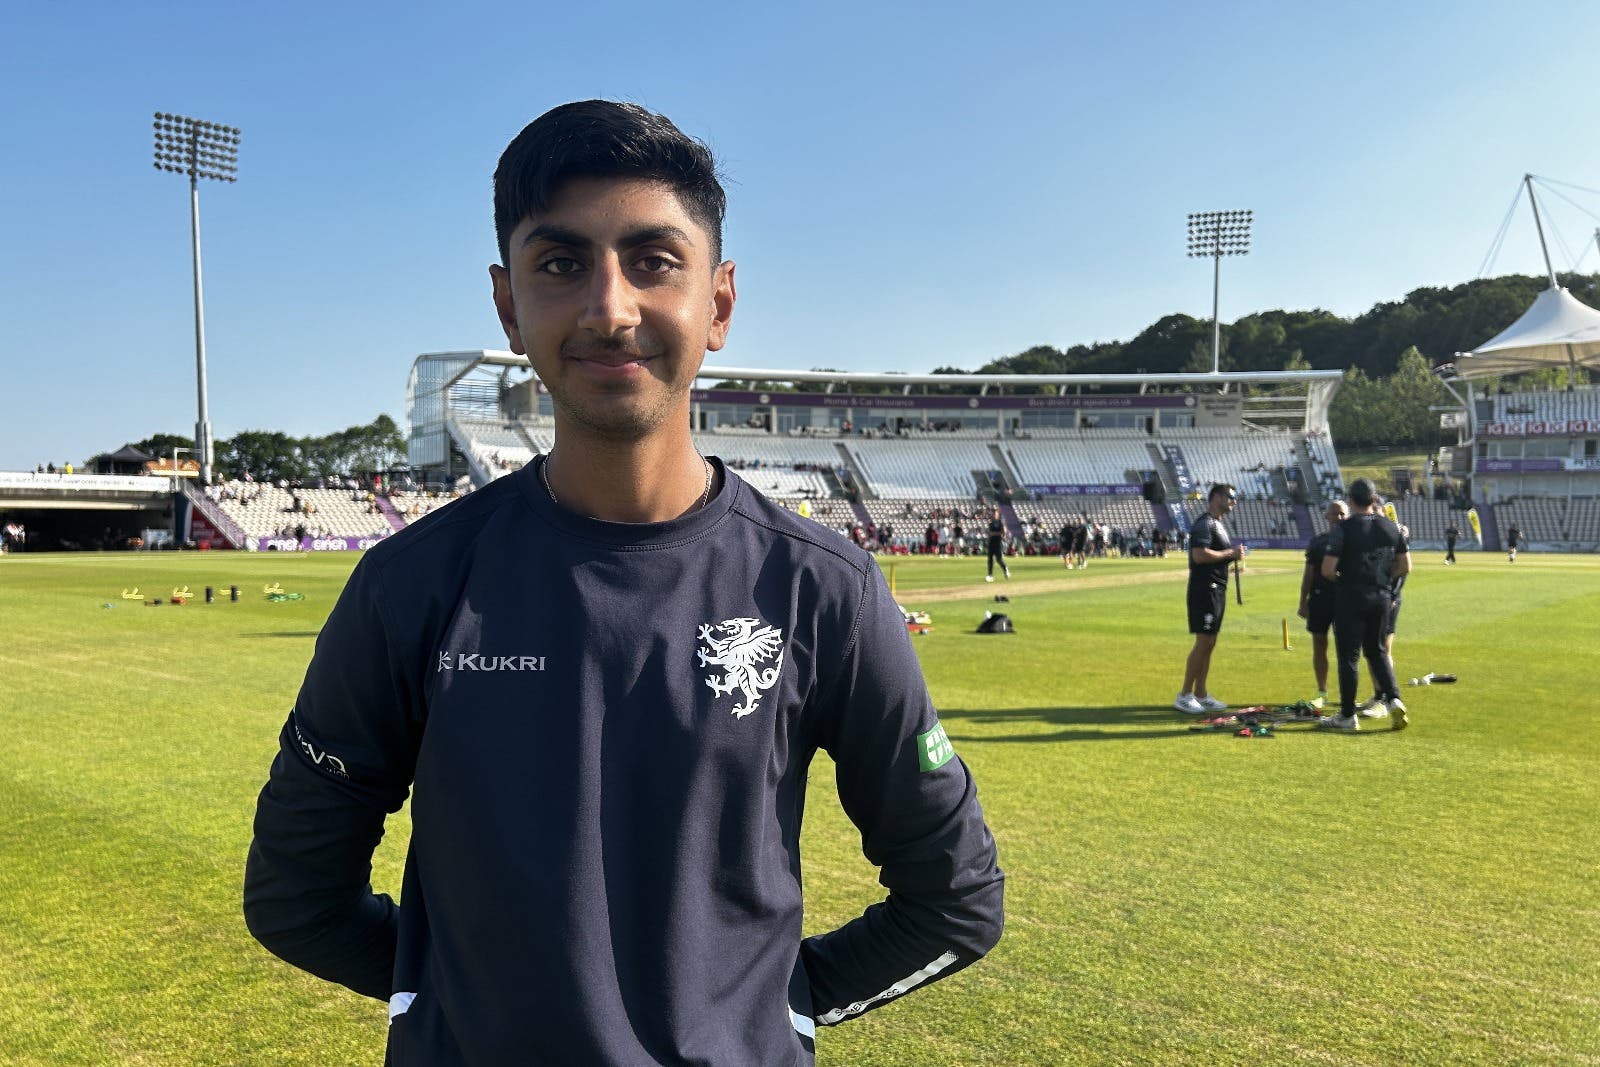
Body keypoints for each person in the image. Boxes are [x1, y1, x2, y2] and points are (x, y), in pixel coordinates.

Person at [243, 100, 1004, 1066]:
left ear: (719, 303)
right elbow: (292, 896)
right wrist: (456, 1002)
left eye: (653, 260)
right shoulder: (412, 583)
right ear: (509, 306)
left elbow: (956, 899)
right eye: (560, 264)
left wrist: (777, 1009)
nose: (610, 307)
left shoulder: (826, 590)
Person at [1319, 478, 1410, 732]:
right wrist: (1381, 579)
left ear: (1350, 500)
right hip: (1381, 597)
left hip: (1350, 596)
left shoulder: (1343, 529)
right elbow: (1405, 566)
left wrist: (1344, 579)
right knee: (1377, 651)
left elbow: (1327, 569)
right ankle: (1393, 699)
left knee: (1349, 656)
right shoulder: (1391, 527)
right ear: (1374, 499)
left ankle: (1348, 715)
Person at [1174, 484, 1244, 715]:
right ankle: (1184, 695)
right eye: (1230, 497)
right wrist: (1230, 554)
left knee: (1210, 643)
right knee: (1203, 642)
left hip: (1216, 589)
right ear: (1216, 497)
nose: (1233, 501)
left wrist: (1230, 560)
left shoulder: (1217, 524)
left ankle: (1201, 693)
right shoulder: (1204, 524)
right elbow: (1199, 555)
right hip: (1204, 590)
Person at [1297, 499, 1348, 709]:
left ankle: (1347, 693)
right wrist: (1302, 602)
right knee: (1319, 644)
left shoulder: (1353, 542)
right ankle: (1322, 691)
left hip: (1345, 601)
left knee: (1346, 648)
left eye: (1342, 514)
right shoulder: (1318, 543)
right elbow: (1308, 575)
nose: (1338, 518)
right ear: (1326, 516)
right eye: (1334, 513)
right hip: (1319, 599)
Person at [983, 506, 1010, 581]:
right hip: (991, 542)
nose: (994, 515)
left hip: (998, 543)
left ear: (998, 515)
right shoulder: (991, 523)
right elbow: (989, 533)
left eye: (995, 513)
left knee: (999, 559)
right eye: (993, 514)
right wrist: (995, 533)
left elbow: (1003, 533)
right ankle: (990, 575)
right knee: (990, 559)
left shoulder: (1001, 523)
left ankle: (1005, 569)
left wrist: (994, 533)